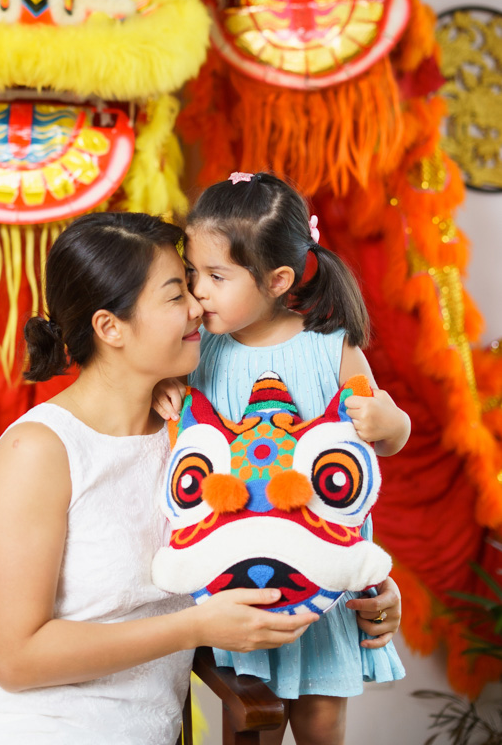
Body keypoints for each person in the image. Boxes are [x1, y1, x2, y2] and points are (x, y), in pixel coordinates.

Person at [0, 211, 319, 745]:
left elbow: (281, 530)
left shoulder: (196, 437)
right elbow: (15, 659)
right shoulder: (37, 451)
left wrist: (362, 592)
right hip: (20, 726)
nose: (199, 305)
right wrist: (193, 628)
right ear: (110, 327)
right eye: (177, 293)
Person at [152, 173, 409, 745]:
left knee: (321, 726)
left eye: (217, 276)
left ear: (278, 279)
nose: (200, 292)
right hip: (238, 583)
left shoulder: (330, 345)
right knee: (250, 722)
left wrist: (392, 425)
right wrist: (162, 393)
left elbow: (376, 441)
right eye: (193, 274)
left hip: (323, 587)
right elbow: (183, 427)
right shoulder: (200, 350)